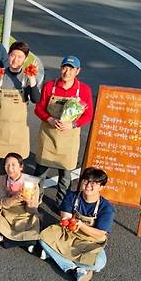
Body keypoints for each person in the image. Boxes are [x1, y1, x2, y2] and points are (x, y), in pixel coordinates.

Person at [39, 167, 115, 281]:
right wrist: (67, 222)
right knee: (43, 238)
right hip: (69, 234)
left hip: (90, 241)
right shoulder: (72, 197)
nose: (88, 185)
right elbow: (65, 218)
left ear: (101, 187)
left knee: (100, 263)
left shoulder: (106, 208)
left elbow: (100, 233)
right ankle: (75, 269)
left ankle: (57, 257)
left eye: (94, 183)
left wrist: (82, 225)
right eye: (86, 180)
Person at [34, 55, 94, 206]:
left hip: (69, 138)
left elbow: (88, 114)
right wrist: (49, 119)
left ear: (77, 71)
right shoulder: (50, 86)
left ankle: (62, 203)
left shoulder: (84, 90)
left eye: (71, 69)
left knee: (65, 174)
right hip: (49, 135)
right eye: (64, 67)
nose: (66, 72)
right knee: (40, 171)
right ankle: (35, 198)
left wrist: (73, 124)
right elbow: (39, 108)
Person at [0, 41, 40, 185]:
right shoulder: (0, 74)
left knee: (16, 164)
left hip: (17, 130)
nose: (15, 60)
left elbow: (35, 98)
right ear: (8, 56)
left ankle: (15, 190)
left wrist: (32, 80)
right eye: (13, 56)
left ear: (25, 59)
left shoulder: (27, 77)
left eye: (20, 57)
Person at [0, 152, 40, 250]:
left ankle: (2, 239)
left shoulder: (31, 183)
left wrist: (29, 202)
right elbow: (2, 202)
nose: (10, 168)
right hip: (8, 213)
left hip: (25, 215)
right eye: (7, 165)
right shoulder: (1, 180)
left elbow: (32, 209)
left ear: (21, 167)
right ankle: (22, 241)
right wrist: (15, 198)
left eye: (13, 165)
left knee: (34, 229)